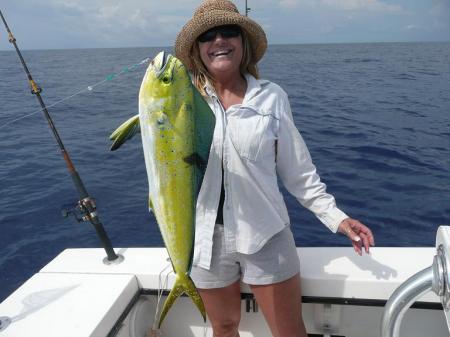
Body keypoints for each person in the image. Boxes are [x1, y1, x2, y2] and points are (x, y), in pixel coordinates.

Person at [174, 1, 375, 336]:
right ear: (197, 49)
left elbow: (299, 172)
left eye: (228, 32)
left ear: (243, 42)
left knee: (289, 331)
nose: (218, 40)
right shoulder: (181, 103)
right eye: (207, 35)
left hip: (266, 233)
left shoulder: (271, 97)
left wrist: (337, 217)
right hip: (204, 239)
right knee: (223, 327)